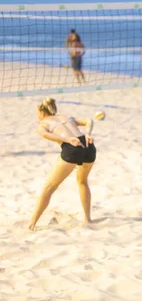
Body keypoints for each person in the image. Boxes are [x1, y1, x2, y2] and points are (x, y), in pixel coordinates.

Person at [30, 98, 96, 231]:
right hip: (89, 146)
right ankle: (87, 219)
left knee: (49, 187)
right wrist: (88, 133)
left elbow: (45, 134)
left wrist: (66, 139)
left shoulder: (43, 123)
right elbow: (89, 120)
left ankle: (31, 224)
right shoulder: (66, 117)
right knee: (82, 181)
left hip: (72, 147)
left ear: (42, 112)